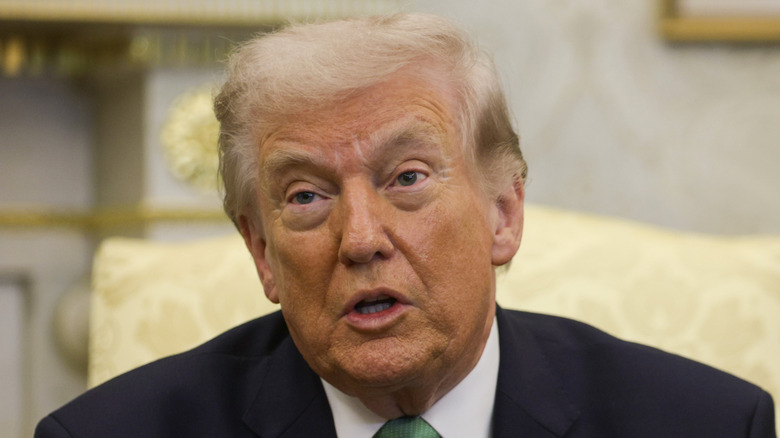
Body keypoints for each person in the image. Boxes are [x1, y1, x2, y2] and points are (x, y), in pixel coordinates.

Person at [36, 13, 775, 438]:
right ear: (261, 251)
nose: (360, 238)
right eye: (305, 197)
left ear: (504, 213)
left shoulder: (702, 425)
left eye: (408, 179)